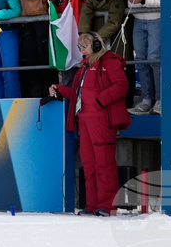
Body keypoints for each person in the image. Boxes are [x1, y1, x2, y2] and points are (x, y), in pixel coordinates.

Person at [49, 31, 131, 216]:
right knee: (89, 164)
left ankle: (107, 206)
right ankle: (92, 205)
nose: (81, 49)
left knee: (104, 164)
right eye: (79, 46)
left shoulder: (109, 61)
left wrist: (101, 101)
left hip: (102, 121)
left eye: (83, 45)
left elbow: (121, 85)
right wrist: (60, 89)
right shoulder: (84, 67)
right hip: (85, 121)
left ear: (95, 44)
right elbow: (77, 94)